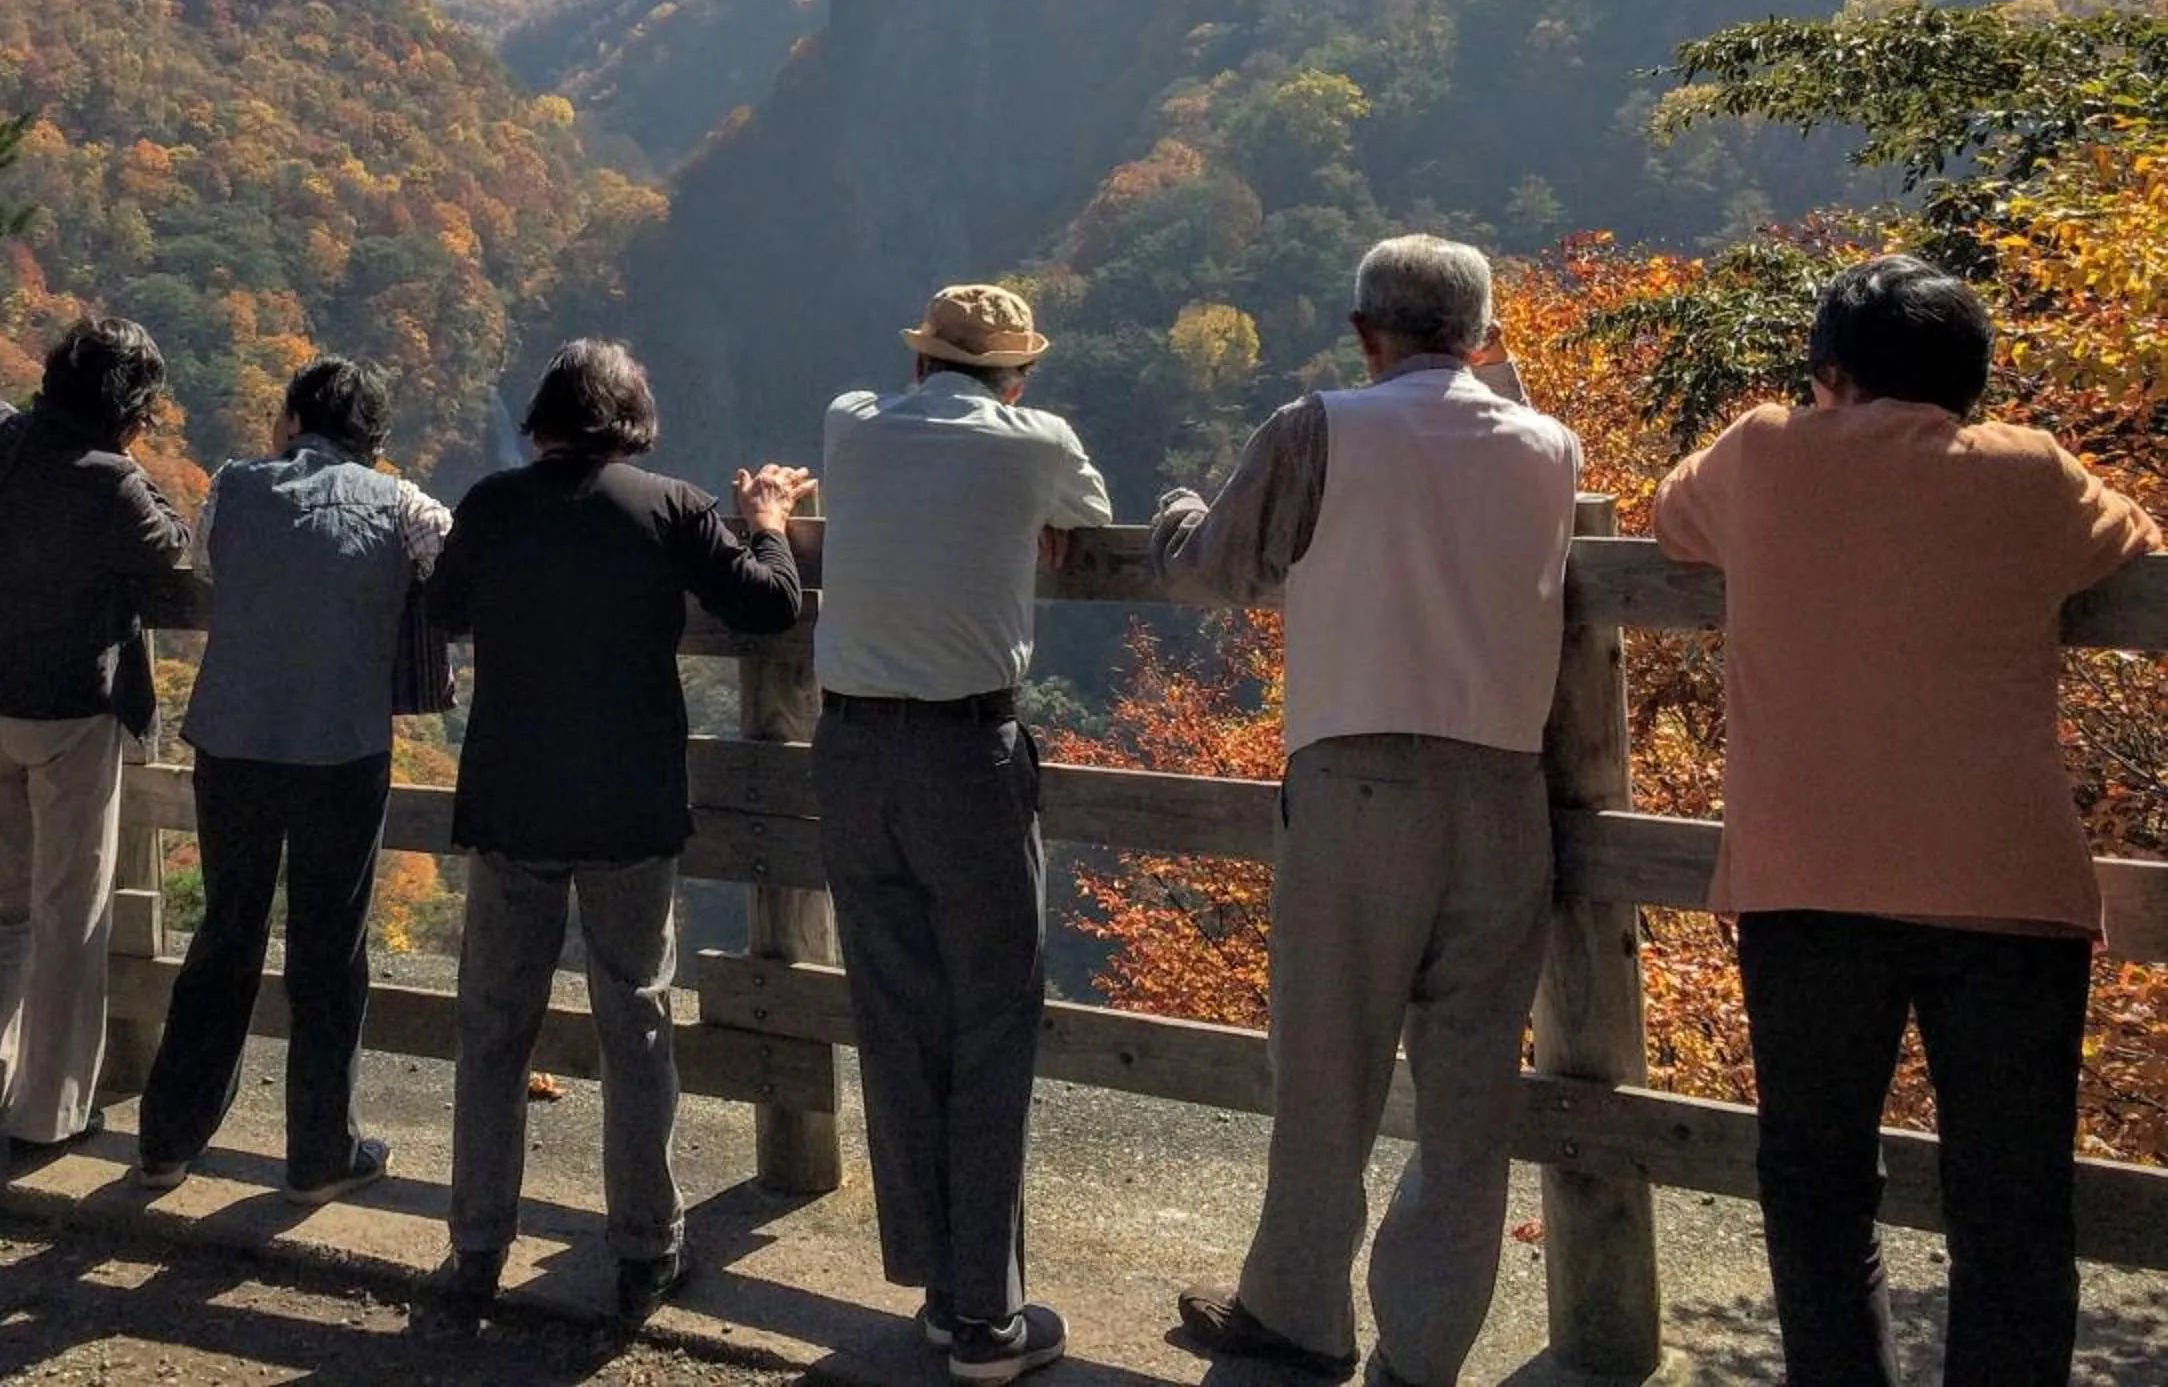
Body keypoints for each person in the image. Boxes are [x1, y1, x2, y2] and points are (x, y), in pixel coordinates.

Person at [1653, 255, 2158, 1387]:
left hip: (1805, 877)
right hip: (2005, 883)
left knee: (1818, 1180)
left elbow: (1668, 519)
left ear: (1828, 371)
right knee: (2014, 1196)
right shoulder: (2029, 472)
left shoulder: (1760, 453)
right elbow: (2126, 534)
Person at [1151, 235, 1580, 1387]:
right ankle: (1424, 1351)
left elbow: (1218, 571)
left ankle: (1297, 1315)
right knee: (1469, 1092)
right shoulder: (1552, 446)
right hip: (1505, 792)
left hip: (1358, 784)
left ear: (1363, 332)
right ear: (1484, 339)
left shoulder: (1319, 426)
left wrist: (1179, 511)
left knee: (1327, 1070)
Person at [426, 340, 809, 1320]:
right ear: (632, 421)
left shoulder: (493, 506)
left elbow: (440, 608)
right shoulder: (670, 507)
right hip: (630, 798)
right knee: (635, 1020)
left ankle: (476, 1245)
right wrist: (766, 523)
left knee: (494, 1025)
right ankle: (646, 1248)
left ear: (544, 419)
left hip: (513, 794)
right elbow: (768, 609)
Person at [812, 283, 1111, 1384]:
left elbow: (877, 444)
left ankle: (941, 1288)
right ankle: (986, 1318)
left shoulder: (851, 423)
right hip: (964, 757)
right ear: (1018, 376)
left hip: (847, 756)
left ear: (922, 366)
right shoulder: (1036, 443)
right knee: (993, 1020)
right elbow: (1083, 514)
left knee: (896, 1016)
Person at [138, 357, 450, 1203]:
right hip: (341, 749)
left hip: (232, 742)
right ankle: (319, 1153)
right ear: (373, 441)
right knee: (329, 945)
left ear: (290, 423)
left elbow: (202, 566)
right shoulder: (403, 503)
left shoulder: (236, 487)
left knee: (227, 931)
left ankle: (169, 1138)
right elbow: (454, 563)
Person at [0, 318, 193, 1170]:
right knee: (68, 915)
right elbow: (173, 547)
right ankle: (49, 1113)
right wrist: (135, 463)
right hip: (63, 716)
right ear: (128, 412)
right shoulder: (111, 484)